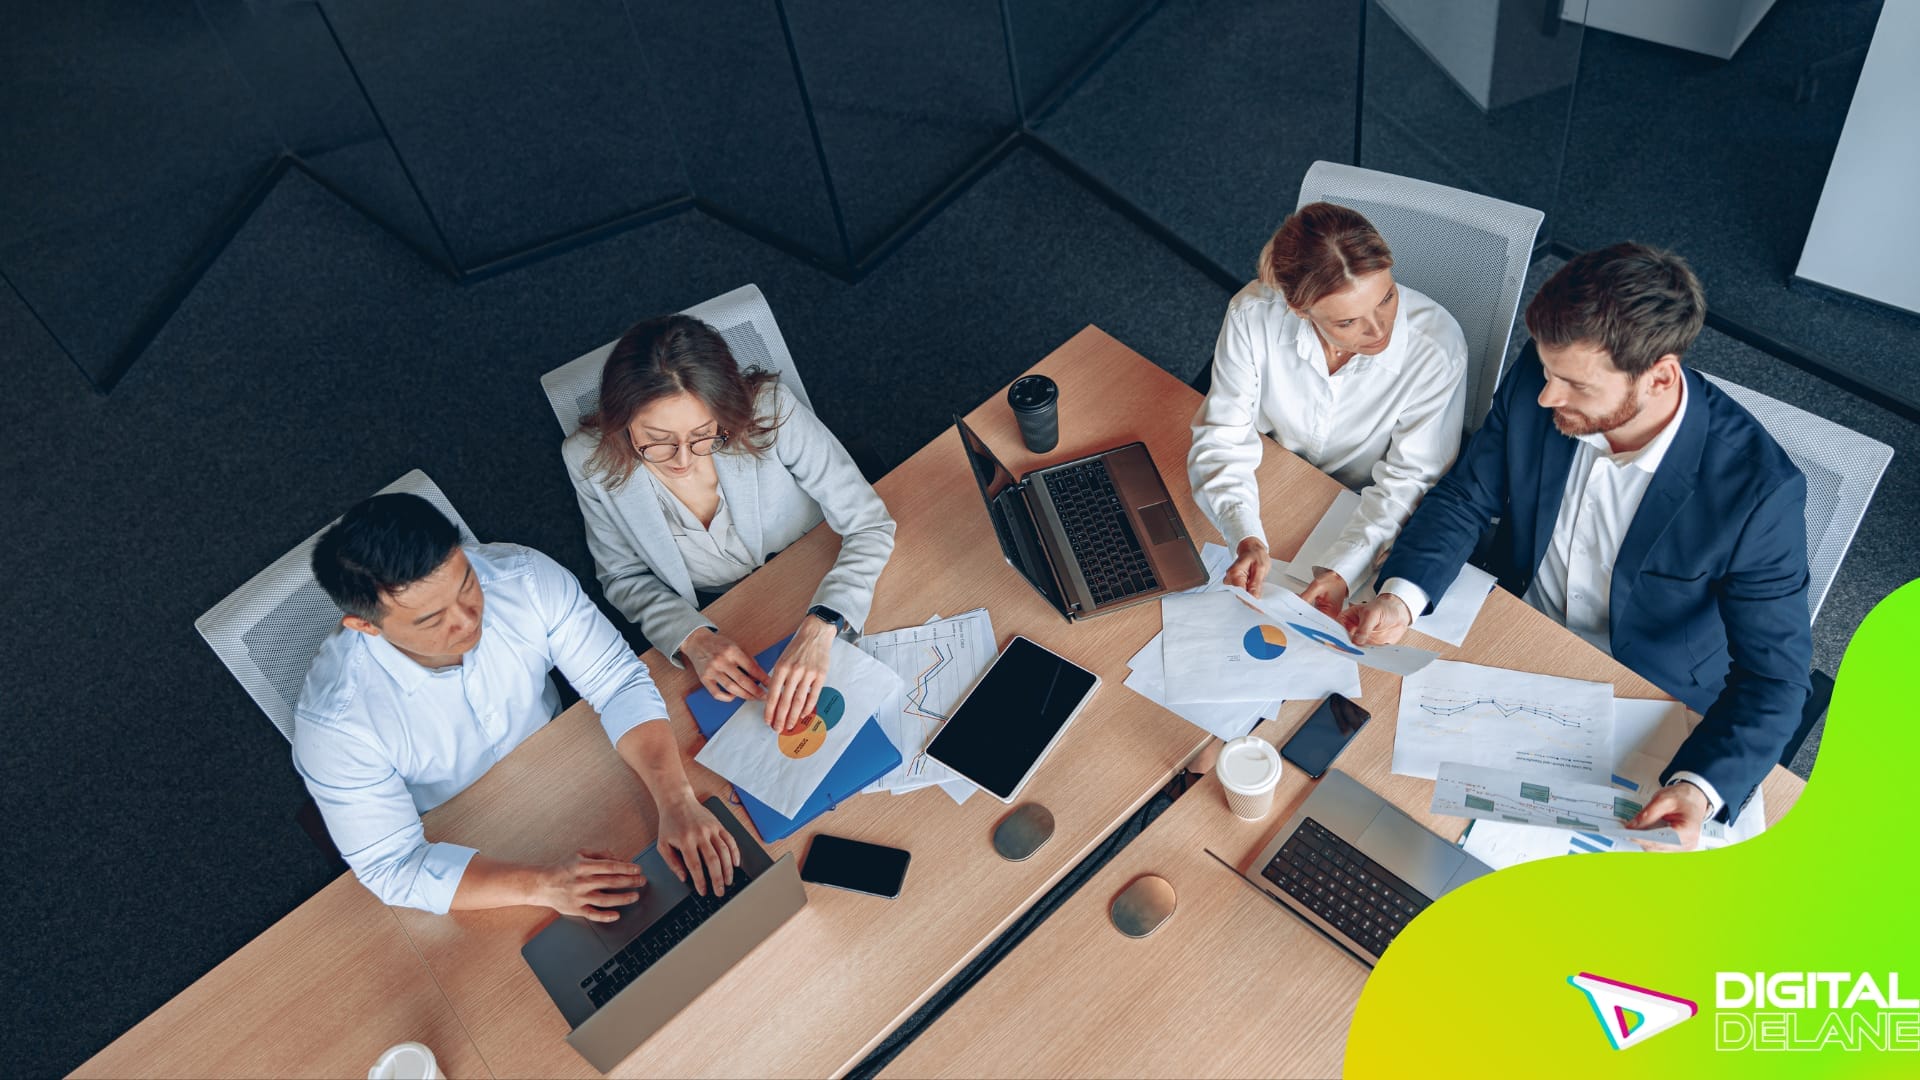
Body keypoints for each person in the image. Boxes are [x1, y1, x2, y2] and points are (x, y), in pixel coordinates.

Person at [1342, 243, 1812, 849]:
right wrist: (1401, 597)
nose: (1545, 397)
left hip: (1646, 694)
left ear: (1660, 376)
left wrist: (1699, 786)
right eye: (1545, 372)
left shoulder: (1759, 494)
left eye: (1574, 384)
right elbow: (1465, 497)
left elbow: (1775, 680)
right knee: (1393, 812)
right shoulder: (1545, 377)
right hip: (1512, 638)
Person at [294, 493, 742, 919]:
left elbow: (618, 681)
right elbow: (392, 865)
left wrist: (677, 801)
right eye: (432, 619)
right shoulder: (335, 728)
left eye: (466, 583)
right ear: (364, 626)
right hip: (460, 836)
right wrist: (542, 886)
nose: (468, 619)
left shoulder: (524, 577)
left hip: (569, 762)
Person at [562, 314, 895, 735]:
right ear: (621, 420)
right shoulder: (587, 461)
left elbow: (869, 524)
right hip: (730, 617)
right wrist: (692, 639)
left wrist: (821, 625)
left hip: (825, 572)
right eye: (658, 440)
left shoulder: (769, 410)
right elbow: (623, 576)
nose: (684, 460)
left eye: (704, 435)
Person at [1189, 201, 1469, 615]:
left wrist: (1341, 570)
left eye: (1387, 297)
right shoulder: (1253, 314)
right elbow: (1223, 435)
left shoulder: (1437, 348)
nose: (1379, 329)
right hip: (1275, 479)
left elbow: (1409, 481)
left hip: (1363, 504)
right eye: (1347, 322)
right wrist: (1244, 534)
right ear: (1299, 310)